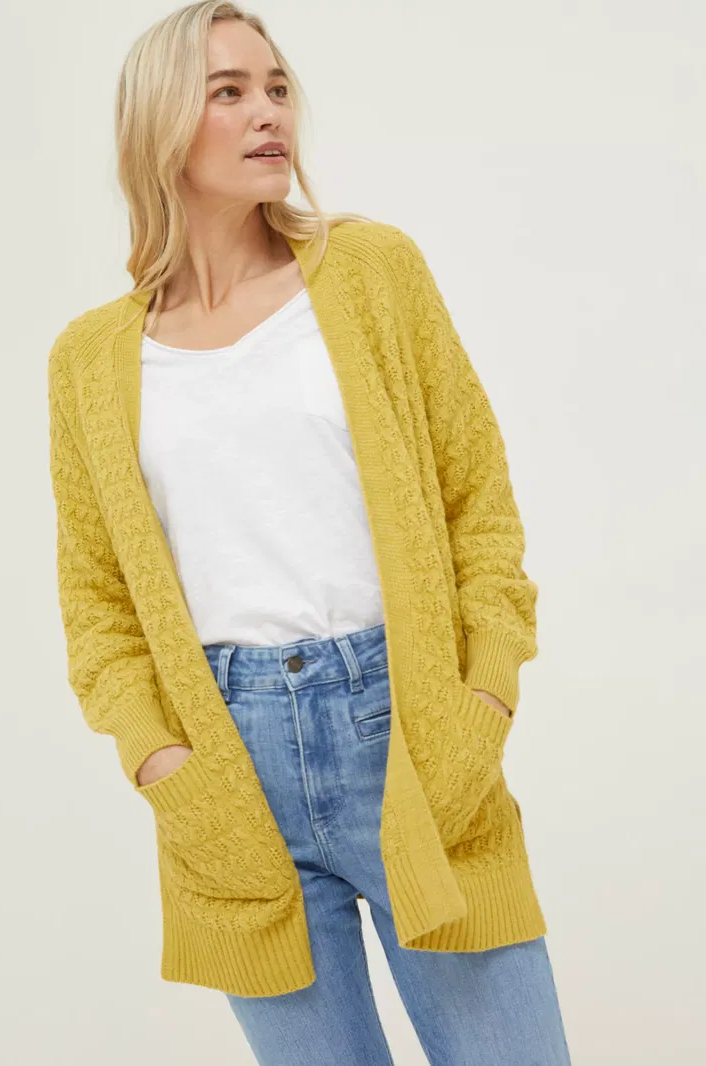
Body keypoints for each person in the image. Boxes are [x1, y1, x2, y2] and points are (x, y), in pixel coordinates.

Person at [47, 3, 572, 1064]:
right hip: (227, 765)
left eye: (277, 86)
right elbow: (97, 601)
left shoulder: (371, 272)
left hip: (410, 728)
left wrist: (483, 695)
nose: (268, 112)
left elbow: (476, 497)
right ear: (159, 125)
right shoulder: (90, 361)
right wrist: (160, 760)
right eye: (228, 91)